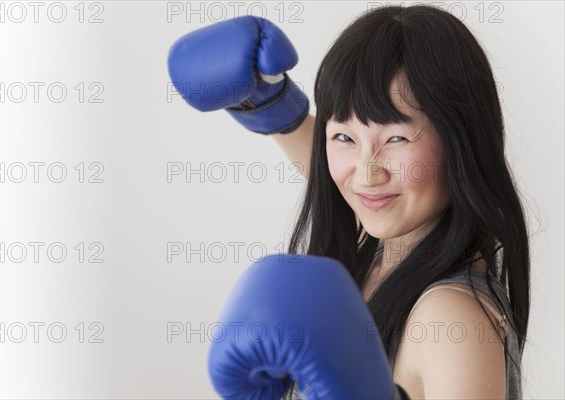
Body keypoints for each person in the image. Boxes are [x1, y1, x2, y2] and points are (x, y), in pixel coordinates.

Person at [168, 4, 529, 399]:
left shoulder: (449, 319)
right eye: (344, 138)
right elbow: (337, 175)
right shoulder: (383, 249)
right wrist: (272, 104)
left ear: (461, 141)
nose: (366, 174)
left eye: (397, 139)